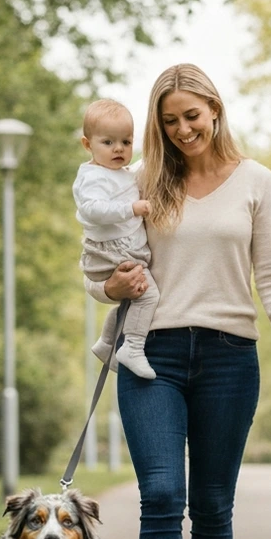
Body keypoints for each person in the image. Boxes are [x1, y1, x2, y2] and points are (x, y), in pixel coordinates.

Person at [86, 64, 271, 539]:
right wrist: (106, 288)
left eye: (190, 116)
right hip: (153, 354)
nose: (181, 130)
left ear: (215, 109)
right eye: (168, 121)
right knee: (163, 496)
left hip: (230, 355)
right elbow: (98, 259)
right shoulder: (141, 181)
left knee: (214, 506)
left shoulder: (257, 181)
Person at [75, 98, 158, 379]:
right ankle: (132, 347)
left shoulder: (119, 172)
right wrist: (130, 209)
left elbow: (135, 172)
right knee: (148, 296)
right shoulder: (93, 177)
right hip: (113, 249)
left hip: (122, 247)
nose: (119, 149)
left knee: (133, 301)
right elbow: (91, 209)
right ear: (88, 145)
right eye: (108, 143)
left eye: (126, 141)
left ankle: (107, 342)